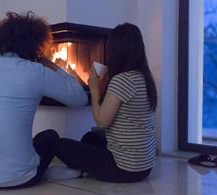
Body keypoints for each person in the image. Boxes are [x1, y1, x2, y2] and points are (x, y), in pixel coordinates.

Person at [0, 11, 88, 189]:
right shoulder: (36, 71)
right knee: (50, 137)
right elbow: (79, 98)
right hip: (23, 179)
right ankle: (41, 173)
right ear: (35, 44)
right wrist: (52, 65)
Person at [56, 23, 157, 183]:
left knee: (58, 144)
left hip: (123, 168)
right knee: (90, 138)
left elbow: (102, 122)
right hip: (144, 167)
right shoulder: (144, 78)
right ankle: (83, 169)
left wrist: (95, 89)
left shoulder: (122, 80)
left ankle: (78, 170)